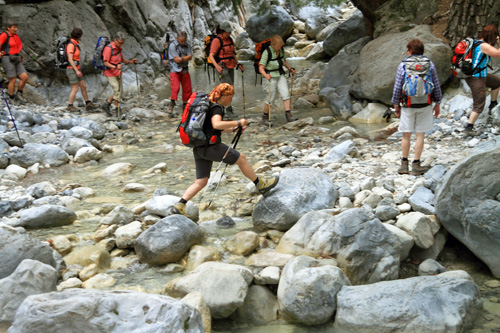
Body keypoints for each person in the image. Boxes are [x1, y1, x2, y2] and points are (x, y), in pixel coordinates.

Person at [169, 83, 279, 217]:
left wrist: (233, 129)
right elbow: (217, 124)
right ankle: (260, 184)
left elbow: (213, 128)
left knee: (201, 181)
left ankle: (180, 204)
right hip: (212, 148)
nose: (231, 100)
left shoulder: (206, 105)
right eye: (230, 97)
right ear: (224, 95)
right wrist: (238, 122)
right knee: (242, 159)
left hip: (199, 149)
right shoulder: (216, 108)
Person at [391, 39, 442, 176]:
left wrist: (396, 105)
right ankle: (416, 165)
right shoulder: (429, 64)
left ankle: (404, 165)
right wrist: (437, 103)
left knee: (406, 134)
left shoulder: (403, 65)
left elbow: (397, 87)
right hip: (425, 103)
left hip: (407, 104)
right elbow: (436, 84)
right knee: (420, 134)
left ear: (409, 51)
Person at [464, 24, 500, 136]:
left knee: (497, 82)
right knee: (479, 104)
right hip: (476, 78)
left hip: (481, 75)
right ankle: (468, 128)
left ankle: (493, 104)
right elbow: (498, 54)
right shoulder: (483, 46)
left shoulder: (477, 41)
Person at [258, 34, 297, 124]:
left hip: (280, 74)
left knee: (286, 94)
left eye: (281, 46)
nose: (280, 48)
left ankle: (288, 115)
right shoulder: (267, 52)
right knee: (270, 97)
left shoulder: (281, 50)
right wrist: (265, 75)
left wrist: (290, 69)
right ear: (273, 45)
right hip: (270, 76)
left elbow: (284, 61)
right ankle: (265, 117)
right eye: (278, 46)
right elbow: (261, 67)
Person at [208, 21, 243, 117]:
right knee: (227, 89)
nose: (229, 33)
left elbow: (232, 53)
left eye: (230, 32)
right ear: (222, 31)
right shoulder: (217, 40)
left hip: (231, 65)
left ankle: (224, 108)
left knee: (230, 88)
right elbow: (211, 56)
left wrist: (238, 64)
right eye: (228, 32)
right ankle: (225, 109)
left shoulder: (230, 39)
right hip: (222, 68)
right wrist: (217, 67)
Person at [102, 32, 137, 116]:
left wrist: (131, 62)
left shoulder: (118, 49)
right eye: (120, 42)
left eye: (122, 43)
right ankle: (117, 109)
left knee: (120, 91)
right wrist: (115, 67)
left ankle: (107, 104)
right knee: (117, 89)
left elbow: (121, 60)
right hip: (110, 72)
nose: (121, 45)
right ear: (115, 40)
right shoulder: (108, 49)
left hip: (118, 72)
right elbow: (105, 62)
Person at [65, 28, 98, 112]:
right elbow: (70, 59)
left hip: (76, 69)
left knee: (83, 86)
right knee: (75, 88)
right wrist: (76, 70)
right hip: (72, 69)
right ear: (79, 36)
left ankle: (88, 104)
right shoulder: (71, 45)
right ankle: (70, 106)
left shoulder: (75, 44)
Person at [0, 20, 29, 104]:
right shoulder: (4, 35)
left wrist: (21, 56)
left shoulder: (15, 35)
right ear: (8, 28)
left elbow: (18, 46)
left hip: (16, 58)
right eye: (14, 27)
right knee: (13, 79)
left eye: (16, 27)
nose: (16, 29)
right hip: (7, 58)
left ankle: (19, 93)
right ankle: (11, 97)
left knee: (24, 77)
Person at [166, 31, 193, 115]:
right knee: (175, 88)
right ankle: (172, 103)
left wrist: (181, 59)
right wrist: (185, 58)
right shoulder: (172, 46)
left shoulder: (187, 45)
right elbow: (176, 59)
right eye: (181, 41)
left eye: (184, 40)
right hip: (175, 69)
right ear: (177, 39)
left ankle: (185, 106)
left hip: (184, 69)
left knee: (187, 88)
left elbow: (190, 56)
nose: (183, 42)